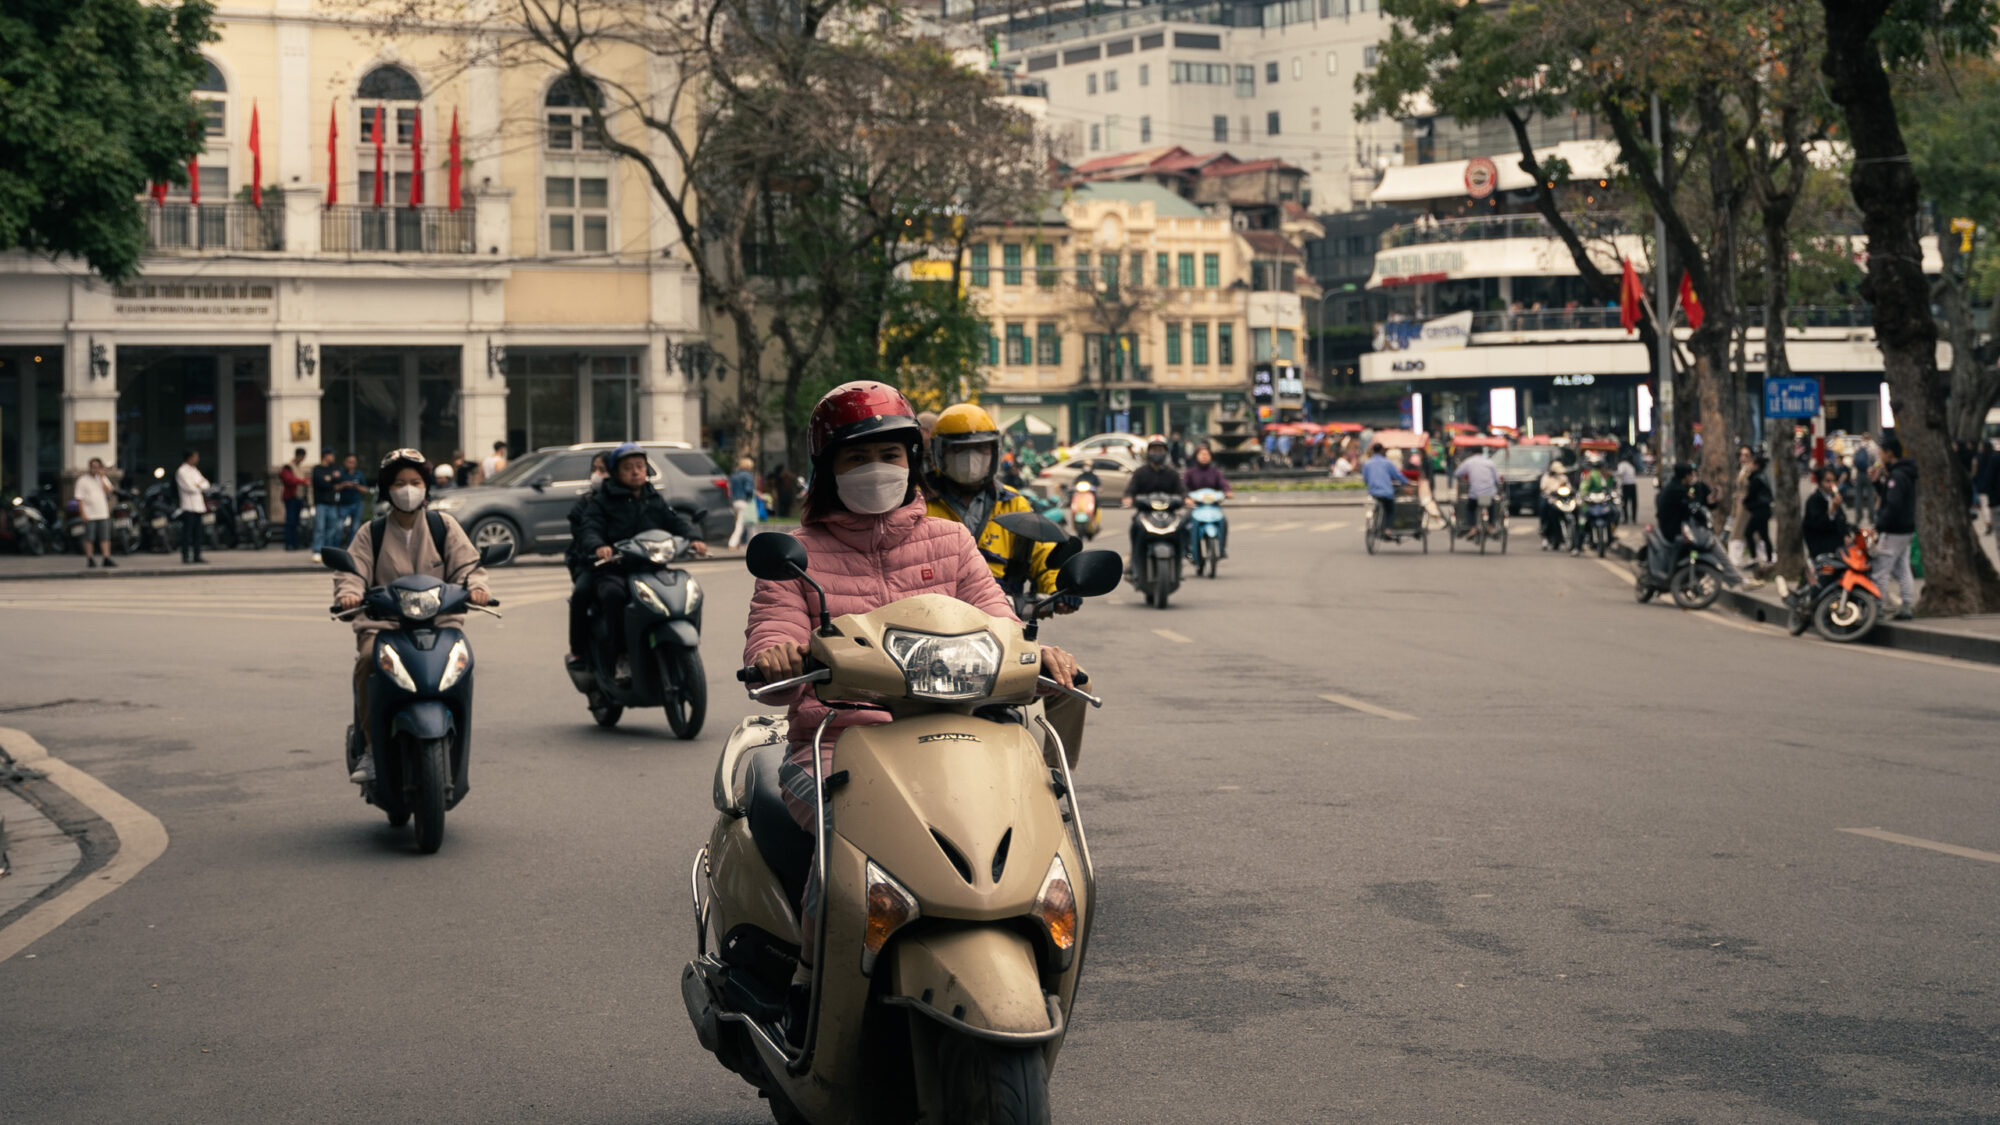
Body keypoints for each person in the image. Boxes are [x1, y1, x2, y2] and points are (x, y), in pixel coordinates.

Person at [743, 381, 1080, 1026]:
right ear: (827, 471)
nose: (878, 470)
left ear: (913, 463)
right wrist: (779, 656)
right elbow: (774, 634)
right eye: (857, 459)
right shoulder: (798, 555)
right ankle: (806, 989)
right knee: (841, 852)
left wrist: (1042, 657)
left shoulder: (951, 545)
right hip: (836, 743)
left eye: (892, 456)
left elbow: (1000, 625)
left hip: (958, 740)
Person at [334, 449, 492, 783]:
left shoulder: (443, 526)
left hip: (440, 625)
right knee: (366, 661)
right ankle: (371, 749)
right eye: (399, 482)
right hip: (384, 626)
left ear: (426, 486)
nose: (408, 489)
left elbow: (469, 565)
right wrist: (349, 593)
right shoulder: (370, 533)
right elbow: (352, 572)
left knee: (462, 666)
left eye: (415, 482)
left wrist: (477, 587)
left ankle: (455, 743)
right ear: (387, 489)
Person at [575, 443, 709, 682]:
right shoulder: (602, 500)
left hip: (651, 567)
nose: (636, 472)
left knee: (686, 590)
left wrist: (694, 539)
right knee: (612, 596)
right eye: (628, 468)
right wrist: (599, 546)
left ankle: (681, 648)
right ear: (616, 472)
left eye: (640, 466)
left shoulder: (652, 497)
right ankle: (621, 656)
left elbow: (675, 521)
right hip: (615, 570)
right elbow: (590, 527)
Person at [1123, 434, 1188, 575]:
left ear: (1165, 452)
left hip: (1169, 514)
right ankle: (1134, 563)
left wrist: (1186, 499)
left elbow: (1182, 491)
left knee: (1182, 527)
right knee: (1135, 528)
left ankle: (1179, 561)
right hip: (1145, 514)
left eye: (1160, 450)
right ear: (1148, 452)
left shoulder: (1172, 473)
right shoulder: (1140, 473)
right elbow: (1130, 491)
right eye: (1154, 450)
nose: (1157, 453)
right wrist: (1128, 498)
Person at [1871, 435, 1918, 619]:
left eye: (1881, 453)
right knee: (1902, 568)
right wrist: (1877, 483)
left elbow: (1892, 504)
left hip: (1894, 529)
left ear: (1889, 454)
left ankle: (1877, 607)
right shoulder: (1904, 473)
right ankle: (1906, 605)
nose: (1879, 457)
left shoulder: (1897, 476)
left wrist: (1879, 526)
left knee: (1881, 569)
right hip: (1905, 529)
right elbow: (1890, 496)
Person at [1182, 444, 1233, 559]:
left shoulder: (1215, 472)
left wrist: (1227, 492)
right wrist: (1186, 498)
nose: (1204, 457)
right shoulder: (1190, 473)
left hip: (1212, 506)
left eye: (1207, 454)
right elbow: (1183, 487)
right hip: (1196, 506)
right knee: (1183, 524)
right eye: (1202, 454)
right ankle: (1187, 549)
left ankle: (1222, 548)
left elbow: (1223, 484)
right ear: (1197, 456)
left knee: (1223, 522)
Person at [74, 457, 116, 569]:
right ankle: (90, 558)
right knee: (89, 538)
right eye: (93, 467)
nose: (95, 469)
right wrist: (82, 513)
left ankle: (106, 557)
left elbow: (109, 491)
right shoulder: (82, 480)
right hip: (89, 514)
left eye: (97, 467)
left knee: (105, 537)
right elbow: (79, 498)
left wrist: (102, 477)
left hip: (102, 513)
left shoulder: (102, 479)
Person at [1801, 466, 1849, 560]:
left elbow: (1842, 520)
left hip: (1838, 546)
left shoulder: (1833, 497)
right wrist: (1832, 509)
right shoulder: (1814, 500)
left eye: (1834, 481)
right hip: (1821, 547)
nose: (1832, 484)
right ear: (1820, 482)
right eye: (1828, 481)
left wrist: (1846, 534)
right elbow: (1817, 524)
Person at [1454, 447, 1503, 534]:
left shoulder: (1469, 462)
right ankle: (1490, 526)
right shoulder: (1489, 462)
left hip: (1475, 495)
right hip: (1488, 494)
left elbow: (1457, 473)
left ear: (1472, 453)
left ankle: (1473, 527)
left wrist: (1463, 479)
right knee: (1491, 507)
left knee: (1470, 508)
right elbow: (1497, 479)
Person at [174, 449, 210, 564]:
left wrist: (199, 485)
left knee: (198, 533)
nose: (197, 459)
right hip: (188, 506)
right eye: (195, 457)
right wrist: (199, 485)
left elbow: (206, 484)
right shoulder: (182, 471)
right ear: (189, 458)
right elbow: (189, 487)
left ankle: (197, 555)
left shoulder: (195, 470)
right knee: (187, 533)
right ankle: (185, 556)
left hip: (198, 506)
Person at [1361, 443, 1403, 536]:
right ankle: (1388, 529)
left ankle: (1375, 521)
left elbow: (1365, 479)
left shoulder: (1367, 463)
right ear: (1382, 451)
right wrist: (1406, 482)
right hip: (1387, 492)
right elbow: (1397, 475)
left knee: (1376, 505)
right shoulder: (1387, 463)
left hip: (1373, 492)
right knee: (1390, 510)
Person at [309, 449, 343, 561]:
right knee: (320, 528)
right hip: (321, 503)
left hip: (332, 503)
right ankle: (317, 551)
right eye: (332, 455)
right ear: (326, 456)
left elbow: (340, 480)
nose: (333, 458)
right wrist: (332, 480)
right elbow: (320, 483)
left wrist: (331, 479)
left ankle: (327, 550)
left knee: (332, 528)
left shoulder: (333, 468)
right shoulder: (317, 469)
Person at [1743, 451, 1774, 569]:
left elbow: (1751, 495)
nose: (1748, 466)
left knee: (1750, 533)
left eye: (1750, 464)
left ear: (1756, 465)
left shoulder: (1756, 479)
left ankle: (1756, 559)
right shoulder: (1760, 477)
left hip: (1759, 511)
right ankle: (1767, 559)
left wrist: (1745, 502)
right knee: (1763, 535)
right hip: (1762, 511)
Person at [1538, 460, 1573, 552]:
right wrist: (1550, 491)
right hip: (1550, 499)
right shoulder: (1546, 477)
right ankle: (1544, 531)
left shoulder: (1563, 478)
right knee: (1544, 507)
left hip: (1561, 500)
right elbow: (1543, 488)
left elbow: (1569, 488)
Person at [279, 448, 310, 550]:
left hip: (298, 497)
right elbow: (289, 479)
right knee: (290, 521)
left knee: (296, 521)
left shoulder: (299, 467)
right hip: (291, 497)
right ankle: (289, 543)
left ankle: (295, 543)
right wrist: (302, 481)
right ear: (298, 456)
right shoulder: (288, 467)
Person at [335, 453, 366, 547]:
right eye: (349, 462)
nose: (351, 464)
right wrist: (344, 485)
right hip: (343, 504)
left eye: (353, 462)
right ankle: (336, 547)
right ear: (345, 462)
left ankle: (351, 548)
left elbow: (365, 490)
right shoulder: (340, 473)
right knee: (339, 527)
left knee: (355, 528)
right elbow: (335, 488)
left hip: (356, 503)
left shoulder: (359, 474)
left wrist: (356, 486)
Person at [727, 456, 758, 549]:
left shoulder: (734, 475)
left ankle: (745, 543)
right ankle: (732, 543)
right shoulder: (747, 476)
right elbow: (748, 489)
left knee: (746, 524)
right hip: (744, 501)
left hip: (735, 501)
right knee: (742, 524)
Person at [1615, 451, 1640, 523]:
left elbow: (1620, 472)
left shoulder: (1622, 464)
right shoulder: (1630, 465)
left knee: (1625, 503)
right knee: (1634, 503)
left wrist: (1612, 473)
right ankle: (1634, 519)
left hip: (1626, 485)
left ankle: (1626, 519)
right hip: (1633, 485)